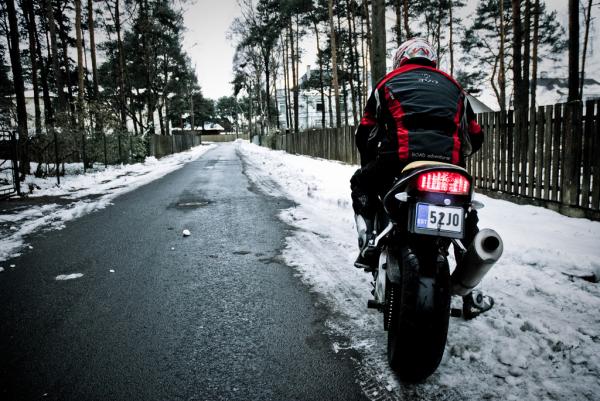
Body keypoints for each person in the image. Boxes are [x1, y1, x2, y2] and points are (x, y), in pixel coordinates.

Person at [351, 38, 489, 317]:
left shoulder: (387, 83)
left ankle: (370, 243)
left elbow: (365, 131)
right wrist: (458, 157)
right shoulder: (455, 88)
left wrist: (369, 162)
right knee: (465, 216)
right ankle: (470, 291)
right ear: (432, 60)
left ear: (401, 58)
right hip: (449, 166)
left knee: (360, 183)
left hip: (399, 162)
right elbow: (475, 135)